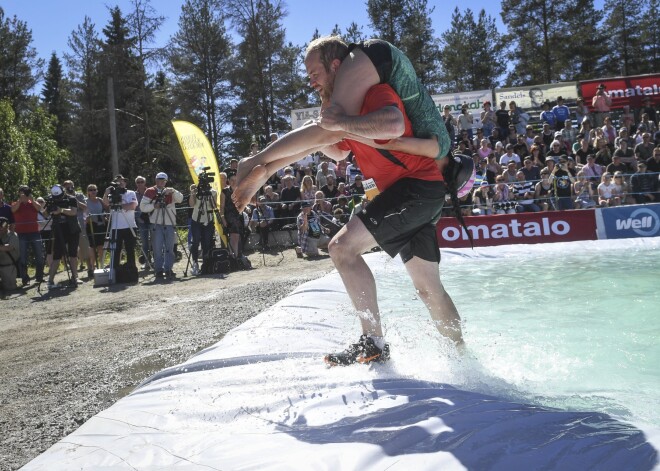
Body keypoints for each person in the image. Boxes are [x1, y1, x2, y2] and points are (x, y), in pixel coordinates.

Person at [232, 36, 451, 210]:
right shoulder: (441, 148)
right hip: (380, 56)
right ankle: (253, 162)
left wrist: (345, 126)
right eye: (311, 75)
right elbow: (395, 140)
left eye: (314, 74)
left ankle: (264, 168)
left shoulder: (437, 144)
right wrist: (345, 124)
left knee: (329, 133)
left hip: (377, 58)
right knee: (331, 129)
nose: (311, 82)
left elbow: (339, 153)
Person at [140, 172, 183, 279]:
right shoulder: (150, 191)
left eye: (163, 180)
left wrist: (172, 191)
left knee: (170, 248)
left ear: (166, 181)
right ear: (155, 180)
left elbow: (180, 199)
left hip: (169, 223)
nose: (161, 182)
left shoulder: (170, 190)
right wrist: (154, 206)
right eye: (159, 179)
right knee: (157, 248)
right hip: (156, 223)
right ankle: (158, 270)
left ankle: (168, 269)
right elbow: (143, 207)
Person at [45, 185, 82, 289]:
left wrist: (61, 210)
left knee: (73, 254)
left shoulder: (71, 199)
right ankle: (50, 281)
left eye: (60, 197)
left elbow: (73, 212)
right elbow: (44, 214)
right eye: (56, 197)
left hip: (72, 230)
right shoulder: (52, 200)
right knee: (57, 255)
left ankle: (75, 277)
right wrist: (49, 208)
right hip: (59, 230)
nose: (58, 199)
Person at [102, 175, 139, 278]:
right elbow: (105, 203)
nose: (121, 183)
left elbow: (133, 206)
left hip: (129, 225)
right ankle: (114, 272)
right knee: (116, 249)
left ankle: (132, 271)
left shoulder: (130, 193)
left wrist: (119, 205)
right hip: (116, 227)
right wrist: (106, 193)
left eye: (122, 181)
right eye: (118, 182)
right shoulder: (111, 195)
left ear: (125, 183)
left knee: (130, 249)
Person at [11, 185, 45, 286]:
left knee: (39, 255)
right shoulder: (16, 203)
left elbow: (39, 209)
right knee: (23, 257)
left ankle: (39, 277)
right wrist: (20, 201)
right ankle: (25, 279)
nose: (23, 195)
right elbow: (13, 210)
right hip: (21, 234)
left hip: (34, 232)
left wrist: (32, 200)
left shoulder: (33, 203)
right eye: (21, 193)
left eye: (25, 193)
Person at [188, 182, 218, 276]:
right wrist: (193, 193)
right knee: (195, 241)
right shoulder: (196, 191)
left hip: (208, 220)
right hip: (196, 219)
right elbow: (192, 204)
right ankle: (195, 263)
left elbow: (214, 206)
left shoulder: (213, 192)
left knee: (207, 242)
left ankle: (206, 264)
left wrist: (209, 195)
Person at [84, 184, 108, 278]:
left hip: (101, 225)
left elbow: (107, 208)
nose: (93, 191)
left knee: (101, 246)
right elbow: (84, 214)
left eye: (94, 189)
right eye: (90, 190)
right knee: (92, 247)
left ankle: (101, 266)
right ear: (88, 192)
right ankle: (92, 268)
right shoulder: (85, 202)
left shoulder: (100, 200)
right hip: (91, 225)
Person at [219, 174, 244, 261]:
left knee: (236, 237)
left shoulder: (239, 191)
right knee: (233, 236)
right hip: (228, 216)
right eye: (232, 180)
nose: (233, 182)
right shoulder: (224, 192)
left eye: (235, 180)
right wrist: (223, 218)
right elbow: (221, 207)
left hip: (238, 216)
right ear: (228, 181)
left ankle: (235, 256)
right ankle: (233, 256)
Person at [134, 176, 152, 269]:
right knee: (145, 242)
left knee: (154, 241)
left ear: (145, 182)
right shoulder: (134, 194)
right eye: (138, 182)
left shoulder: (150, 191)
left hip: (152, 220)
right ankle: (147, 262)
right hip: (141, 221)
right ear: (136, 184)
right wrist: (139, 218)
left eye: (141, 182)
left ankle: (156, 261)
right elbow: (134, 208)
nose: (140, 183)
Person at [0, 217, 20, 294]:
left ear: (7, 227)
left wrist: (3, 247)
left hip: (8, 266)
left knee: (10, 289)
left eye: (1, 228)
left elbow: (8, 248)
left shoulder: (13, 236)